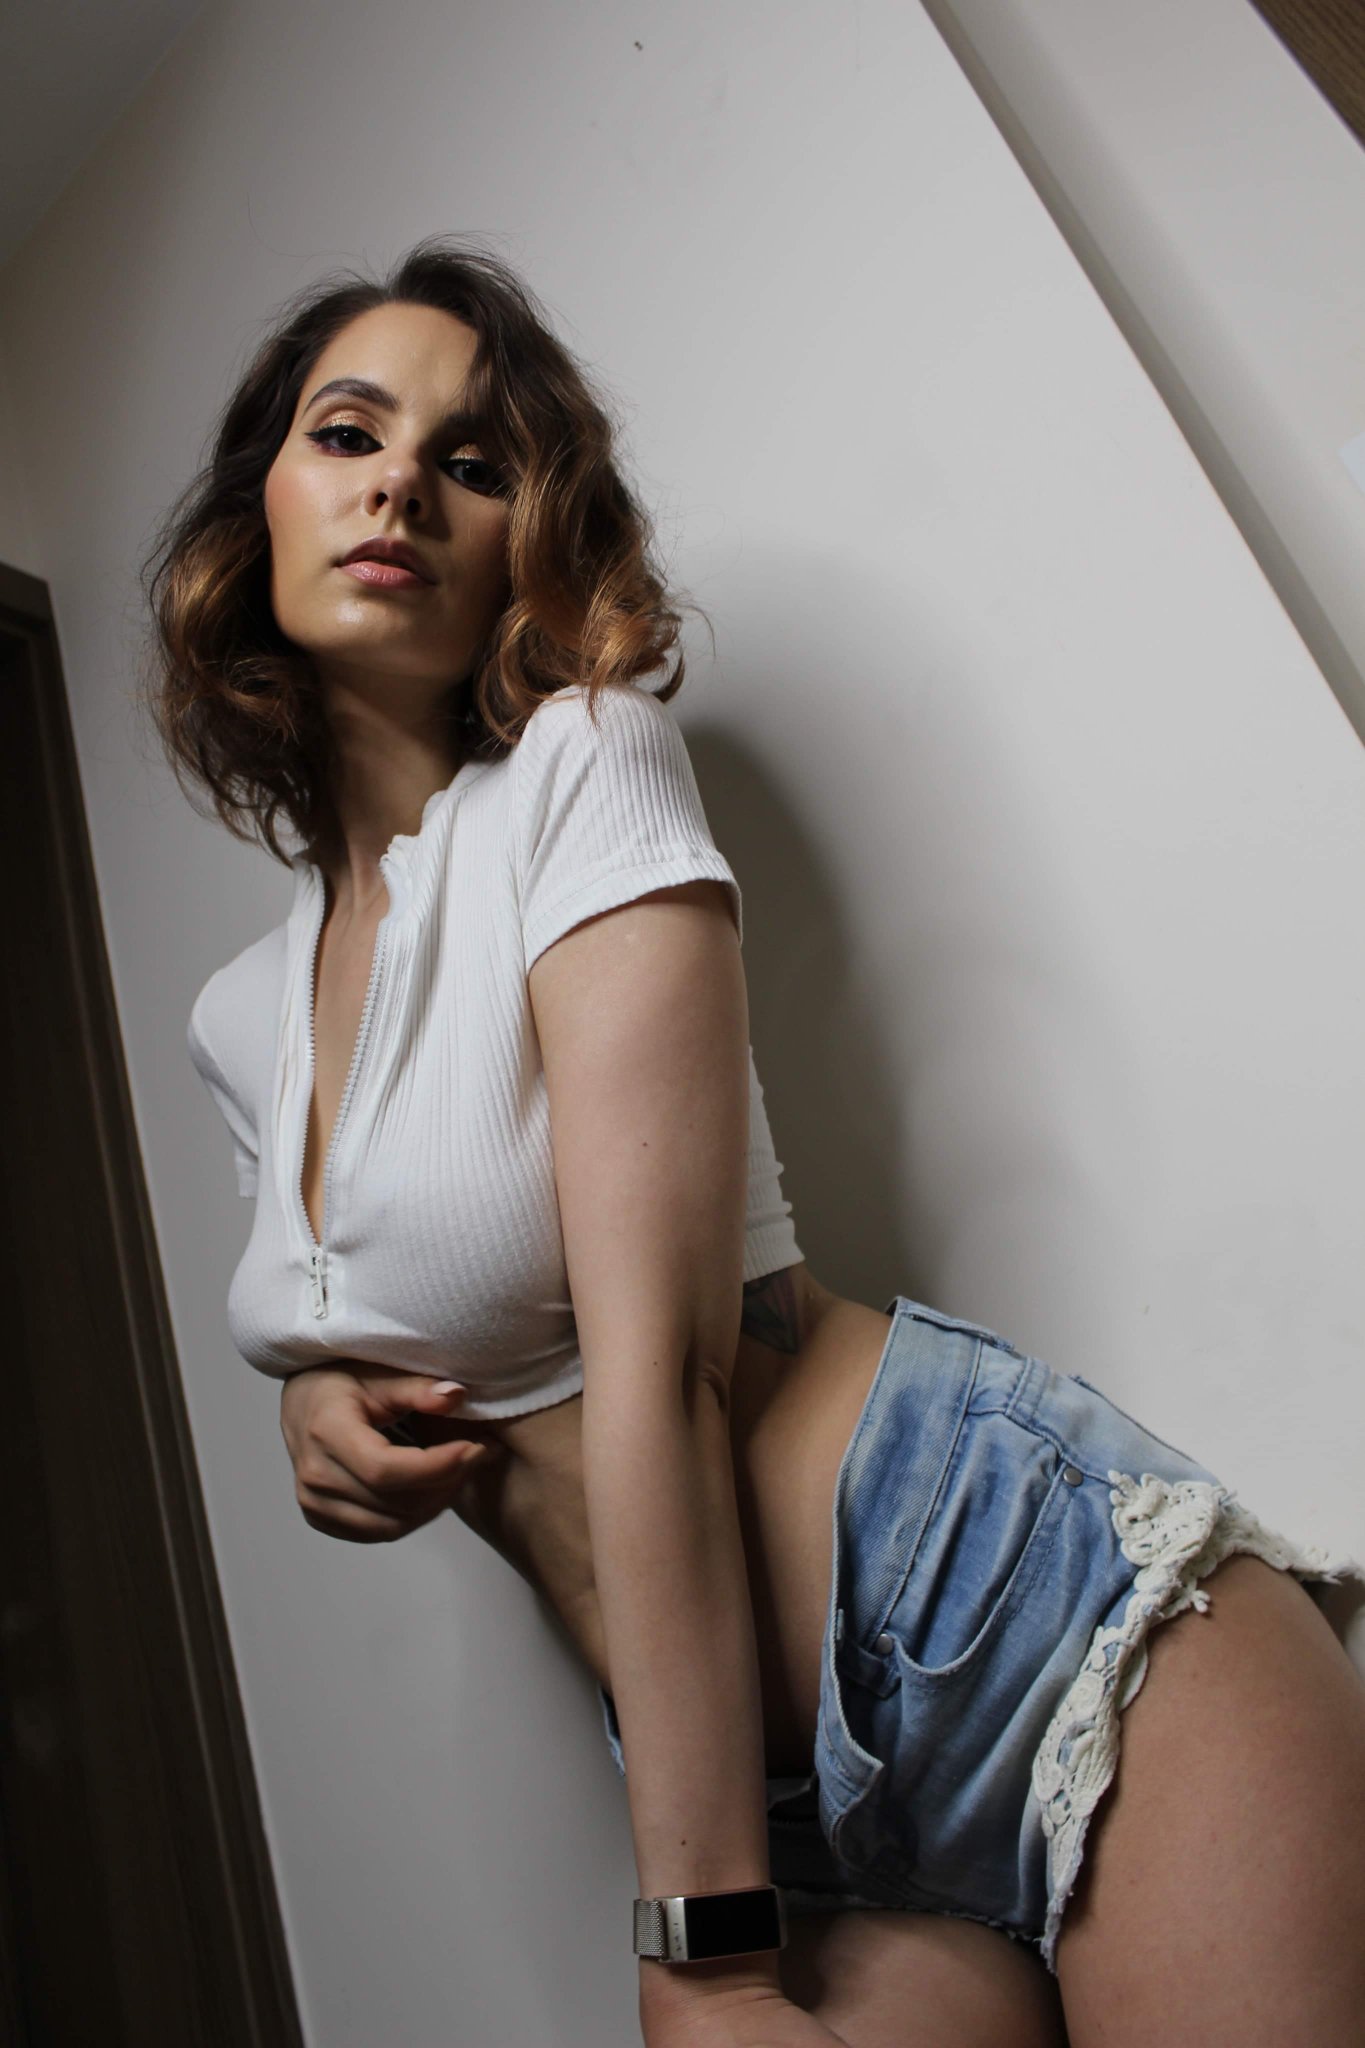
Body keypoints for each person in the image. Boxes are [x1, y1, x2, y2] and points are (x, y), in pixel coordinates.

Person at [146, 234, 1365, 2048]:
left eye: (470, 461)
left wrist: (702, 1948)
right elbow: (372, 1297)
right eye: (347, 432)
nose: (399, 481)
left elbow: (661, 1360)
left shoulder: (583, 765)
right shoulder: (236, 1018)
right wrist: (310, 1401)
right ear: (259, 504)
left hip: (1013, 1610)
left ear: (523, 544)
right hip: (772, 1785)